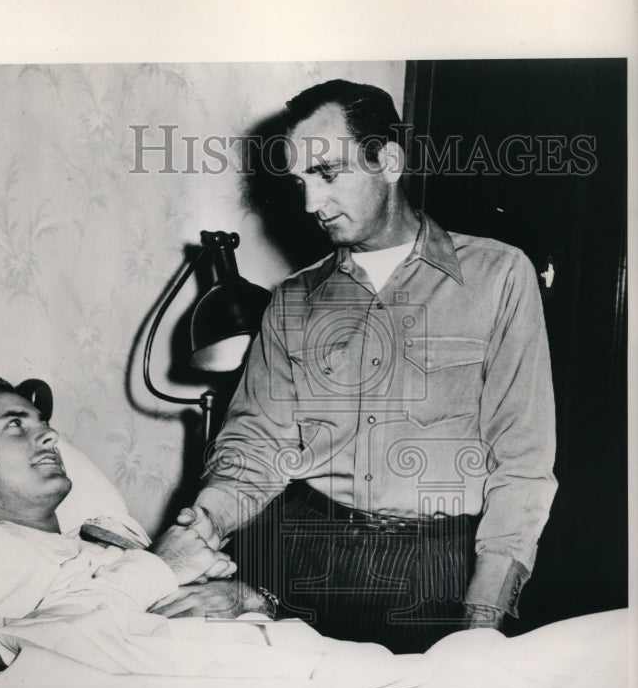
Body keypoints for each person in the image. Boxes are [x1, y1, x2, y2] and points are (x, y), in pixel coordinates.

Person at [176, 79, 557, 653]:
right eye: (300, 181)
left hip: (438, 571)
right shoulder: (293, 299)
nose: (310, 204)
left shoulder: (500, 277)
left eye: (328, 173)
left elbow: (522, 464)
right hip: (299, 552)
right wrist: (207, 520)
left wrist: (483, 617)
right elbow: (257, 444)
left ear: (389, 160)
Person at [0, 376, 247, 646]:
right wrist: (164, 567)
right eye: (15, 425)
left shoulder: (105, 536)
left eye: (43, 424)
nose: (51, 436)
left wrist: (242, 595)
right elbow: (29, 655)